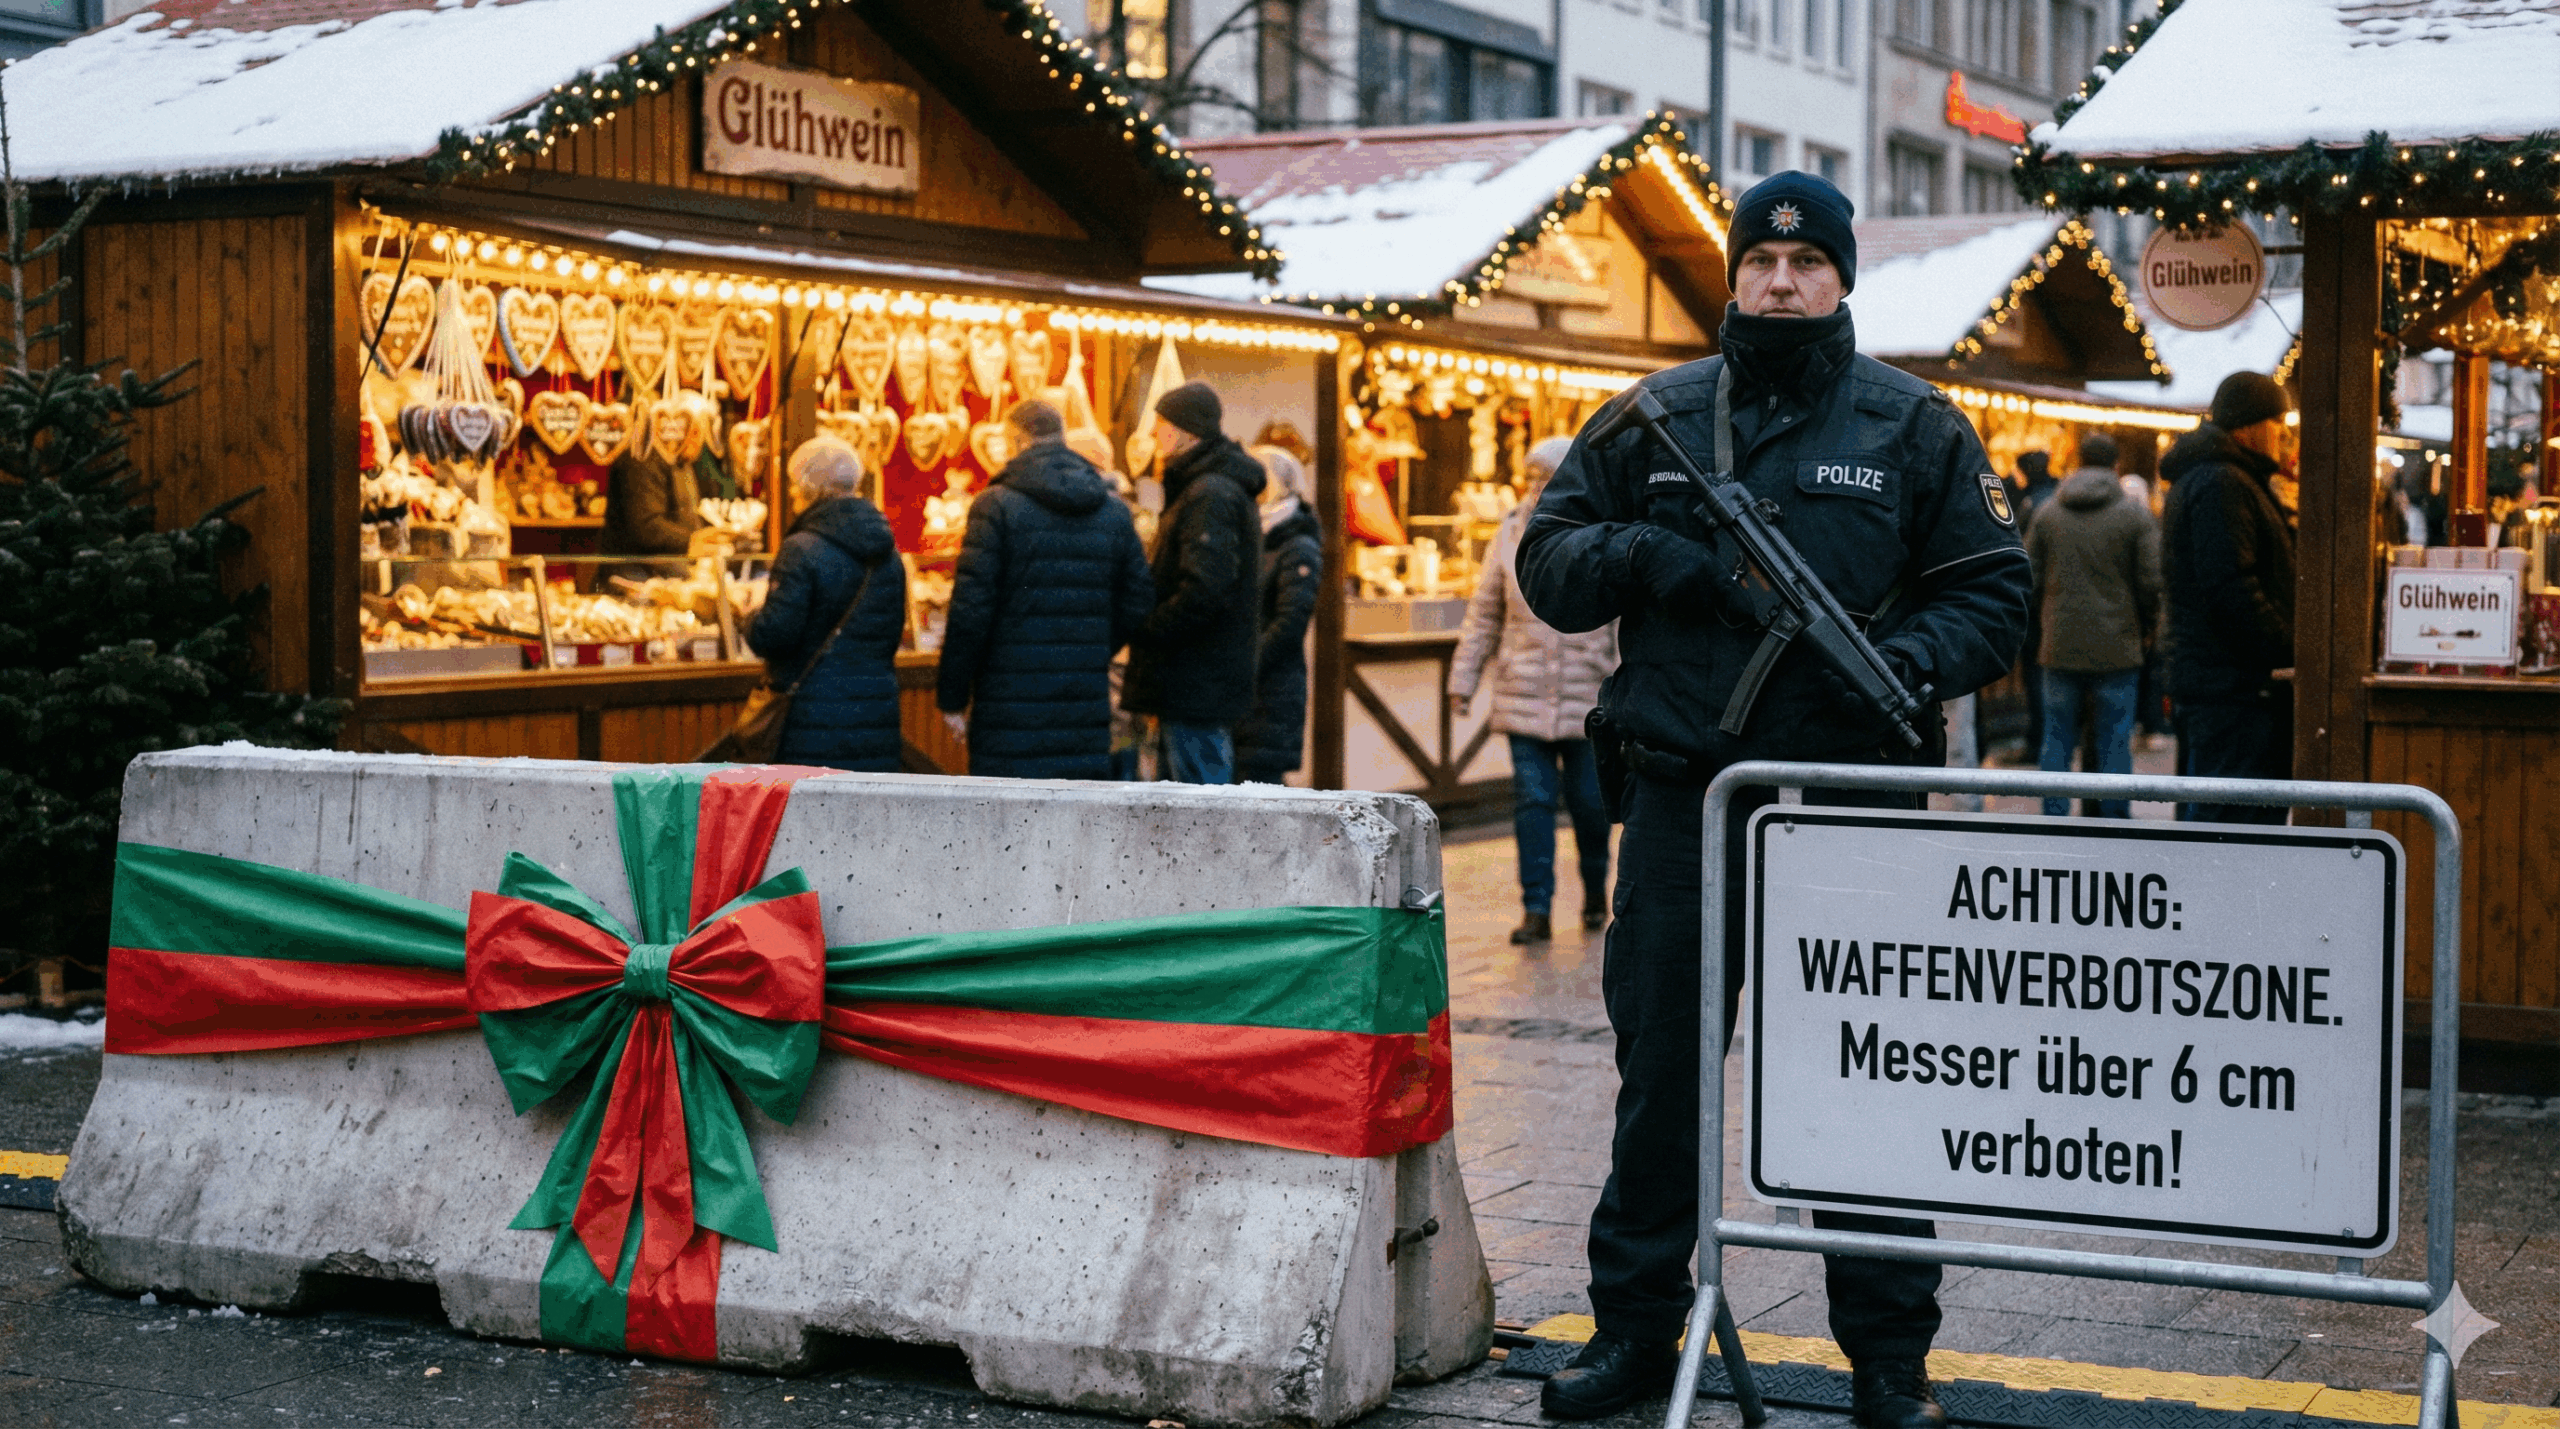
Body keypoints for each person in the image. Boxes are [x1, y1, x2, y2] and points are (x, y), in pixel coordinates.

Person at [1515, 170, 2030, 1427]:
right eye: (1761, 263)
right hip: (1689, 802)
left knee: (1865, 1082)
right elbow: (1549, 559)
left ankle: (1887, 1356)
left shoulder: (1913, 427)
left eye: (1806, 265)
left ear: (1841, 277)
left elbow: (1994, 594)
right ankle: (1636, 1328)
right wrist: (1646, 555)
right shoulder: (1655, 418)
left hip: (1854, 814)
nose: (1782, 281)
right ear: (1736, 275)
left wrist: (1908, 658)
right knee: (1662, 1080)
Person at [1449, 435, 1619, 945]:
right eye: (1530, 476)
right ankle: (1536, 908)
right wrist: (1464, 679)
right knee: (1533, 801)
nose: (1535, 486)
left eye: (1545, 476)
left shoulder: (1600, 529)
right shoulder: (1508, 532)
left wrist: (1624, 685)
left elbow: (1621, 621)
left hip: (1588, 698)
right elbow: (1485, 613)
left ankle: (1594, 894)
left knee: (1591, 805)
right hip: (1522, 691)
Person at [936, 399, 1154, 780]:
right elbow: (1139, 599)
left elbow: (971, 609)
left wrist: (952, 697)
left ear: (1018, 440)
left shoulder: (995, 506)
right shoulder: (1113, 510)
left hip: (1007, 704)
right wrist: (1094, 644)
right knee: (1076, 821)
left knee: (1007, 824)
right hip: (1082, 700)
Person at [2161, 371, 2296, 823]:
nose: (2285, 437)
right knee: (2228, 827)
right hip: (2231, 690)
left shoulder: (2227, 478)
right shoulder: (2222, 482)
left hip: (2226, 685)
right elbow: (2230, 586)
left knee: (2223, 820)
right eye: (2279, 425)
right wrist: (2284, 646)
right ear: (2251, 426)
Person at [1122, 381, 1267, 785]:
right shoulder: (1205, 486)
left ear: (1187, 431)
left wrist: (1149, 626)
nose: (1153, 434)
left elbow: (1205, 588)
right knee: (1190, 802)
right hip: (1196, 677)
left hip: (1196, 678)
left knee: (1202, 805)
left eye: (1161, 424)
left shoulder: (1210, 493)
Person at [745, 438, 906, 772]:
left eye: (792, 485)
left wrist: (748, 615)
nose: (790, 494)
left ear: (809, 488)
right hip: (877, 715)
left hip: (812, 720)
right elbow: (890, 635)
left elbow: (775, 636)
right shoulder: (890, 554)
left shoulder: (800, 549)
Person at [2026, 431, 2161, 819]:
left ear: (2077, 461)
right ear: (2115, 466)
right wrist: (2146, 626)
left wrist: (2046, 618)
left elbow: (2028, 577)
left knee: (2057, 737)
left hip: (2059, 643)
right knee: (2114, 740)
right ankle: (2114, 820)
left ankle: (2054, 815)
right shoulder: (2134, 515)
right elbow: (2152, 582)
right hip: (2118, 646)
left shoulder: (2049, 513)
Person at [1233, 445, 1323, 786]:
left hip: (1272, 691)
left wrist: (1244, 663)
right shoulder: (1258, 537)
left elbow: (1290, 623)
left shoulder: (1297, 543)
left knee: (1260, 785)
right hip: (1251, 691)